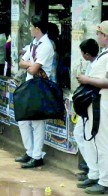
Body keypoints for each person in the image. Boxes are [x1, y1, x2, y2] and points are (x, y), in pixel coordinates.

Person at [76, 20, 108, 195]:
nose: (97, 37)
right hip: (96, 101)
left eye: (98, 34)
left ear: (104, 35)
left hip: (103, 102)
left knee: (101, 141)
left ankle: (105, 181)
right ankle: (95, 173)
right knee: (89, 137)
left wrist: (87, 80)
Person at [15, 14, 54, 168]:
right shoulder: (34, 43)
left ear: (37, 28)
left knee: (37, 122)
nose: (30, 29)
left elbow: (33, 69)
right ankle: (29, 151)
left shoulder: (46, 45)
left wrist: (28, 64)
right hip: (30, 85)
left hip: (40, 87)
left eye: (31, 27)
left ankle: (37, 156)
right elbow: (22, 62)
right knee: (23, 120)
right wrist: (29, 64)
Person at [73, 39, 99, 182]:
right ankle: (91, 166)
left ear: (87, 54)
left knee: (89, 139)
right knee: (79, 134)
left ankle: (94, 170)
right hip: (87, 106)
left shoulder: (97, 65)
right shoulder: (92, 64)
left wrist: (85, 80)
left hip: (93, 105)